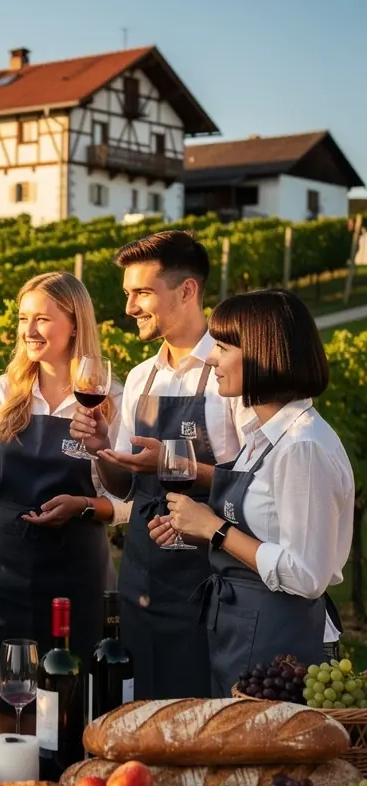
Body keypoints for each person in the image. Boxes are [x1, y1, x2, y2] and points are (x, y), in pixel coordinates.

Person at [70, 230, 248, 700]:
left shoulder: (230, 373)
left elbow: (255, 481)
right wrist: (101, 447)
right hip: (144, 577)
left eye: (142, 292)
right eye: (128, 293)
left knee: (200, 711)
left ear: (187, 291)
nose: (129, 307)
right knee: (144, 707)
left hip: (209, 582)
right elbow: (125, 486)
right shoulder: (139, 375)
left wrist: (169, 460)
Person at [149, 290, 353, 696]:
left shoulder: (302, 447)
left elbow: (306, 574)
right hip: (242, 628)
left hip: (281, 643)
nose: (210, 358)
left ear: (263, 354)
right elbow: (264, 528)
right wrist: (193, 526)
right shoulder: (262, 437)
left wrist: (215, 530)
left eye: (222, 348)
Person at [0, 272, 130, 730]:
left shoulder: (110, 398)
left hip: (76, 567)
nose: (28, 330)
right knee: (0, 696)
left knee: (74, 696)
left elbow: (125, 496)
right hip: (4, 565)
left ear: (75, 324)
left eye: (42, 319)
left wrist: (84, 503)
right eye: (22, 319)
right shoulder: (2, 391)